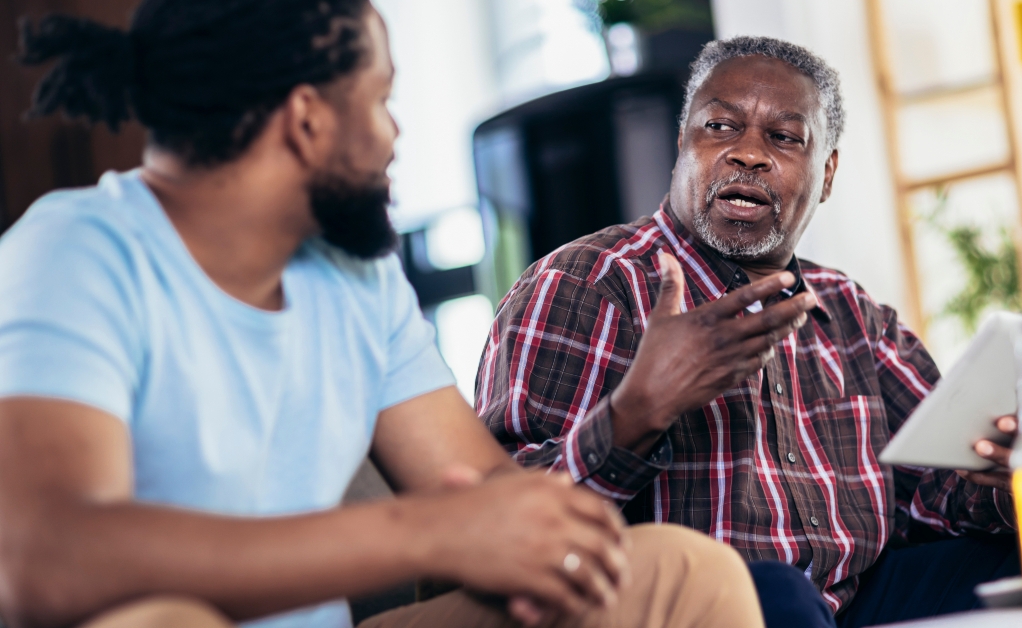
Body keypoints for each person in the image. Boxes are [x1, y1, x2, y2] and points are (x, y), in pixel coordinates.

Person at [0, 3, 766, 628]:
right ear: (307, 120)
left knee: (679, 575)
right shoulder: (76, 250)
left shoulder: (354, 277)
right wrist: (427, 536)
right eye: (379, 100)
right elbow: (46, 560)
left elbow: (478, 496)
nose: (394, 135)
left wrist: (556, 522)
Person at [476, 36, 1022, 628]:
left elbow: (928, 501)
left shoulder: (851, 313)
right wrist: (637, 413)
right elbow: (497, 527)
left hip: (851, 603)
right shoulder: (585, 285)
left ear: (827, 174)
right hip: (693, 609)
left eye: (785, 137)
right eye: (720, 127)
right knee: (775, 591)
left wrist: (998, 476)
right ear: (681, 144)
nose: (747, 153)